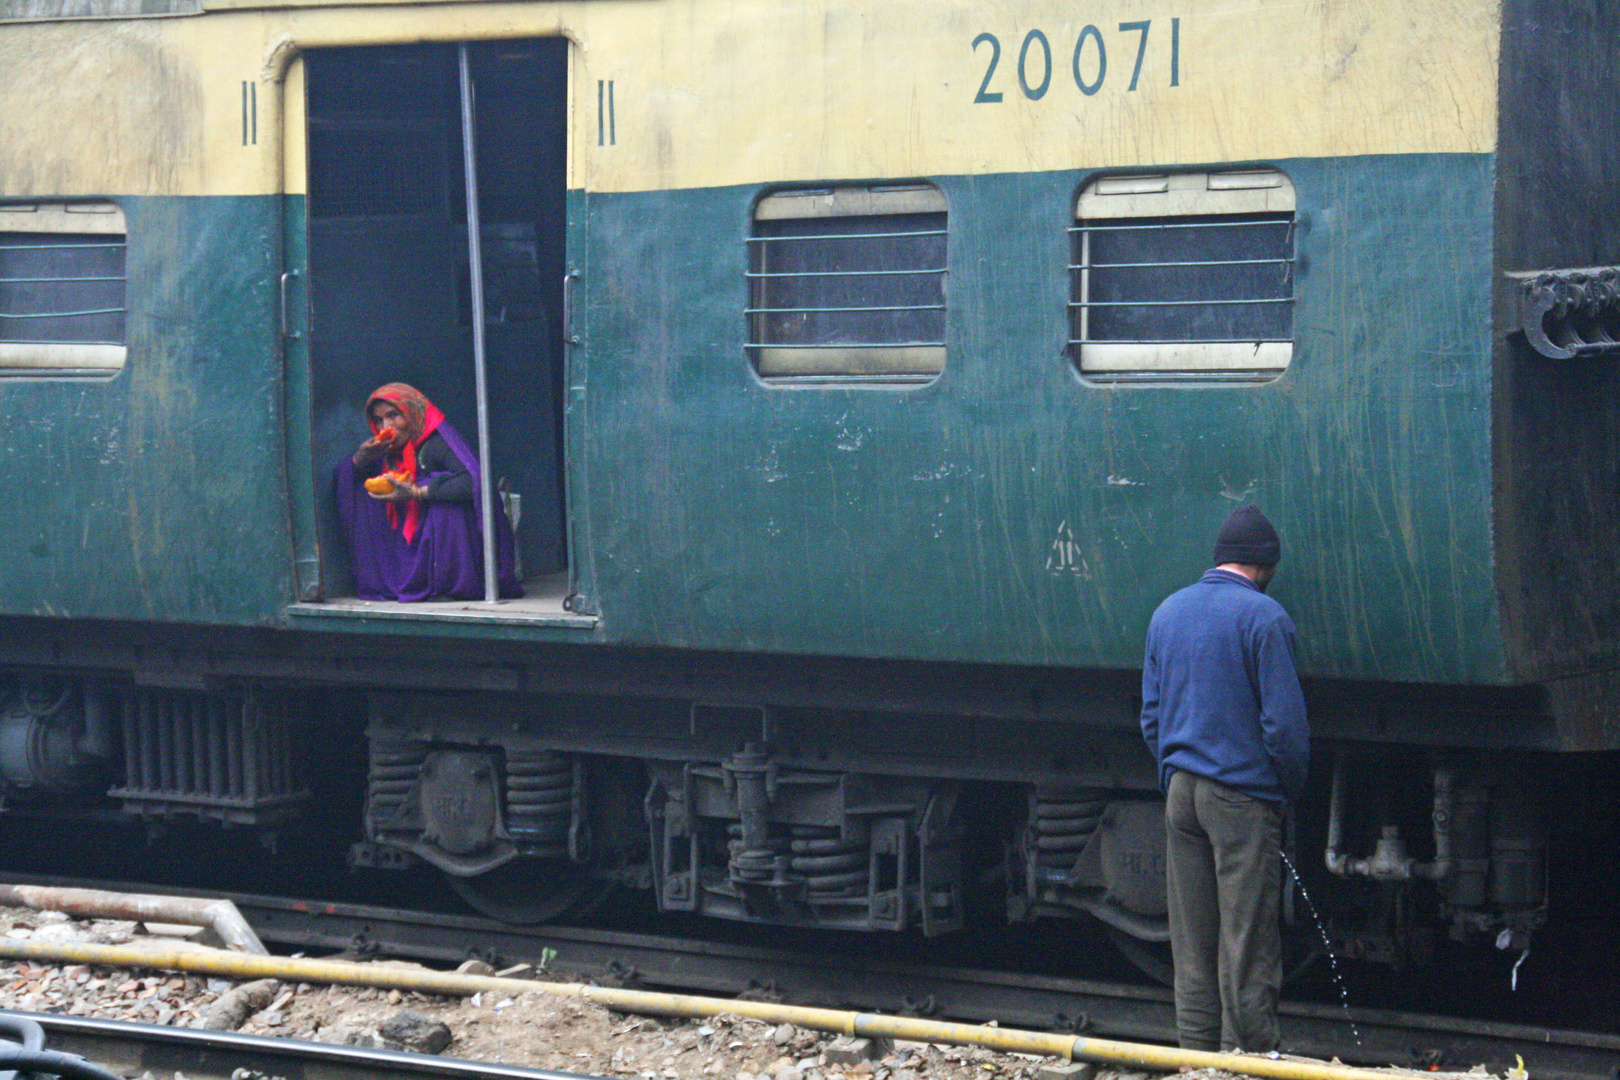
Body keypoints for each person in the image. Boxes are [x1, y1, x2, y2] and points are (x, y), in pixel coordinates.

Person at [1138, 504, 1309, 1053]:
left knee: (1192, 942)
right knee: (1247, 941)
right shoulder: (1265, 620)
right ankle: (1250, 1058)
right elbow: (1285, 730)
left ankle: (1196, 1055)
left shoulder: (1167, 612)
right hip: (1241, 797)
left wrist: (1173, 771)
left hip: (1181, 792)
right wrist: (1283, 791)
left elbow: (1151, 717)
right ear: (1266, 566)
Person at [335, 382, 521, 602]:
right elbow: (346, 478)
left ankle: (447, 584)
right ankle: (394, 578)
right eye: (378, 420)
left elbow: (474, 482)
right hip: (405, 548)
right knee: (363, 490)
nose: (386, 425)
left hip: (452, 546)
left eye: (393, 415)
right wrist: (361, 459)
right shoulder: (384, 450)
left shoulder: (436, 443)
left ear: (411, 412)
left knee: (447, 508)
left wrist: (418, 492)